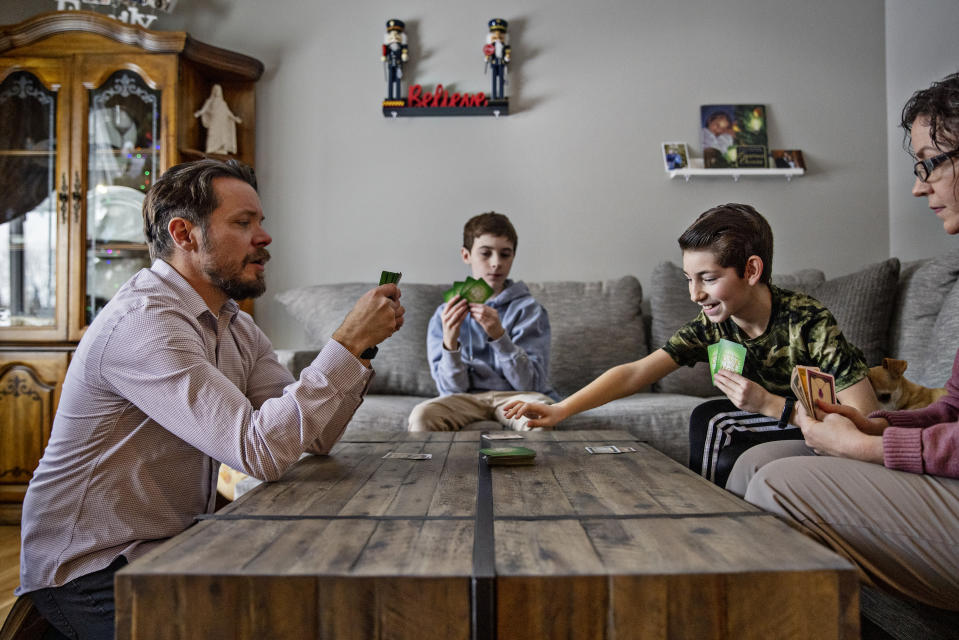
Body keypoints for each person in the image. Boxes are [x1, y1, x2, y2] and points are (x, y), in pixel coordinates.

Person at [15, 158, 405, 638]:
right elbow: (259, 450)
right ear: (184, 234)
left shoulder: (233, 322)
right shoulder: (145, 323)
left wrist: (359, 351)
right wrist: (342, 344)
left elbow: (314, 436)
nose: (264, 237)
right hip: (91, 569)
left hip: (171, 546)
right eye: (243, 223)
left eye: (260, 222)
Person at [726, 72, 959, 611]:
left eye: (930, 162)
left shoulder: (805, 317)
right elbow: (953, 408)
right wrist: (878, 425)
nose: (919, 185)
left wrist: (871, 448)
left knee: (779, 486)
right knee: (755, 463)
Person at [504, 203, 878, 486]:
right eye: (688, 278)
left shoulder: (807, 322)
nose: (695, 294)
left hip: (815, 426)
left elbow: (867, 419)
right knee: (712, 416)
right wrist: (561, 410)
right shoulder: (715, 324)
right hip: (774, 419)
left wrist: (771, 404)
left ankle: (712, 519)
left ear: (751, 270)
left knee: (716, 420)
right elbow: (636, 373)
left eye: (708, 278)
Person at [408, 211, 558, 432]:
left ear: (513, 256)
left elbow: (531, 385)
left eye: (505, 254)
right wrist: (450, 342)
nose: (496, 263)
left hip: (517, 397)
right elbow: (450, 390)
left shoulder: (530, 310)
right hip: (465, 399)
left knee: (539, 415)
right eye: (486, 254)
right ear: (466, 255)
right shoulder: (444, 314)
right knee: (422, 415)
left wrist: (499, 336)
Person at [193, 84, 241, 155]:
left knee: (222, 135)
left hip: (221, 121)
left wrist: (235, 118)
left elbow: (228, 113)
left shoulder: (223, 103)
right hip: (214, 120)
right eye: (216, 90)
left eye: (218, 90)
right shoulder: (209, 101)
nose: (217, 92)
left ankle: (220, 148)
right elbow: (204, 110)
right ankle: (211, 148)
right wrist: (199, 113)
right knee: (212, 133)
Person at [483, 19, 510, 101]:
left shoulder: (506, 47)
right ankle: (493, 96)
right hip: (494, 63)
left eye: (500, 35)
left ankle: (501, 97)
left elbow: (507, 57)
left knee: (501, 81)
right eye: (495, 35)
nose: (498, 37)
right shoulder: (490, 46)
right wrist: (487, 57)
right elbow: (488, 55)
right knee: (493, 81)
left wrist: (507, 57)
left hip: (501, 64)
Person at [382, 19, 408, 101]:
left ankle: (397, 98)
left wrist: (404, 55)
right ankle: (390, 98)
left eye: (396, 35)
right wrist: (384, 56)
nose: (394, 37)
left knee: (398, 81)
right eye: (391, 35)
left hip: (398, 64)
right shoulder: (388, 47)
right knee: (390, 82)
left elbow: (405, 50)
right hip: (390, 64)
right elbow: (384, 51)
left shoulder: (401, 47)